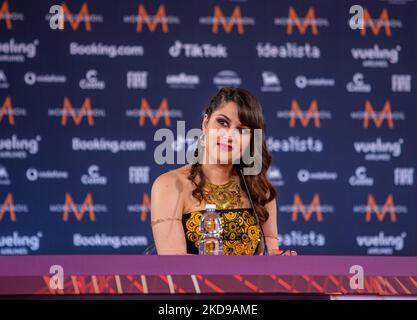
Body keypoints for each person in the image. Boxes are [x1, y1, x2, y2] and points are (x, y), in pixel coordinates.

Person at [151, 87, 297, 256]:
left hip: (248, 283)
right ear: (205, 123)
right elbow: (173, 263)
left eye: (242, 130)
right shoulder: (171, 185)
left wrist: (280, 259)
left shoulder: (258, 189)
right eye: (223, 122)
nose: (229, 136)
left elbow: (269, 254)